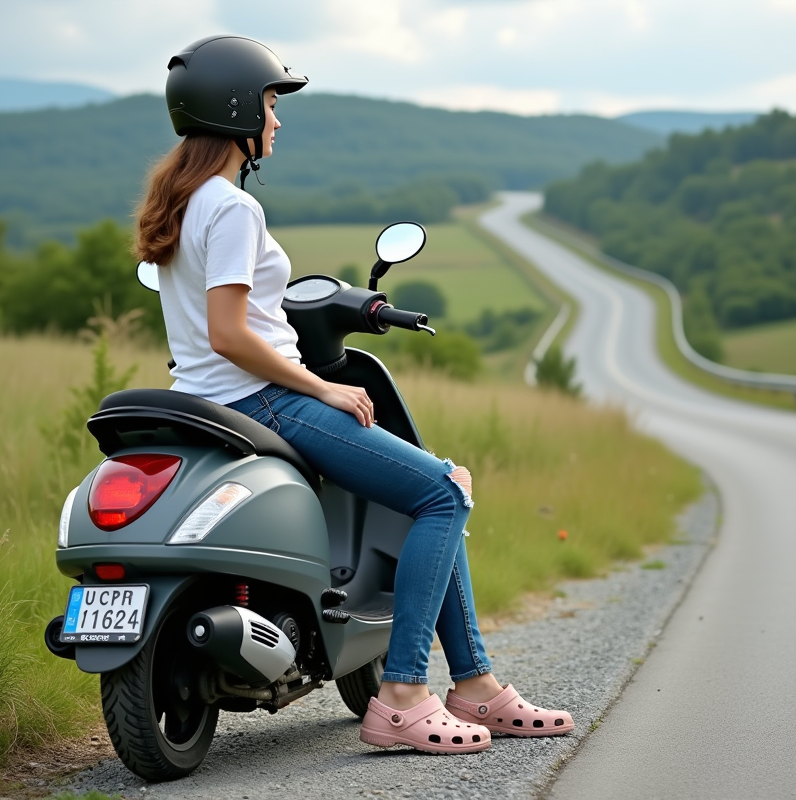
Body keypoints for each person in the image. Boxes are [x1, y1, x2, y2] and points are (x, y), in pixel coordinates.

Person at [135, 35, 574, 755]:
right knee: (443, 493)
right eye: (273, 104)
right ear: (240, 111)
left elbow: (216, 329)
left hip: (212, 402)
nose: (278, 120)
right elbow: (230, 334)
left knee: (437, 482)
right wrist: (322, 385)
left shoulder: (184, 202)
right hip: (265, 398)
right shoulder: (234, 209)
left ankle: (477, 687)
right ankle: (402, 695)